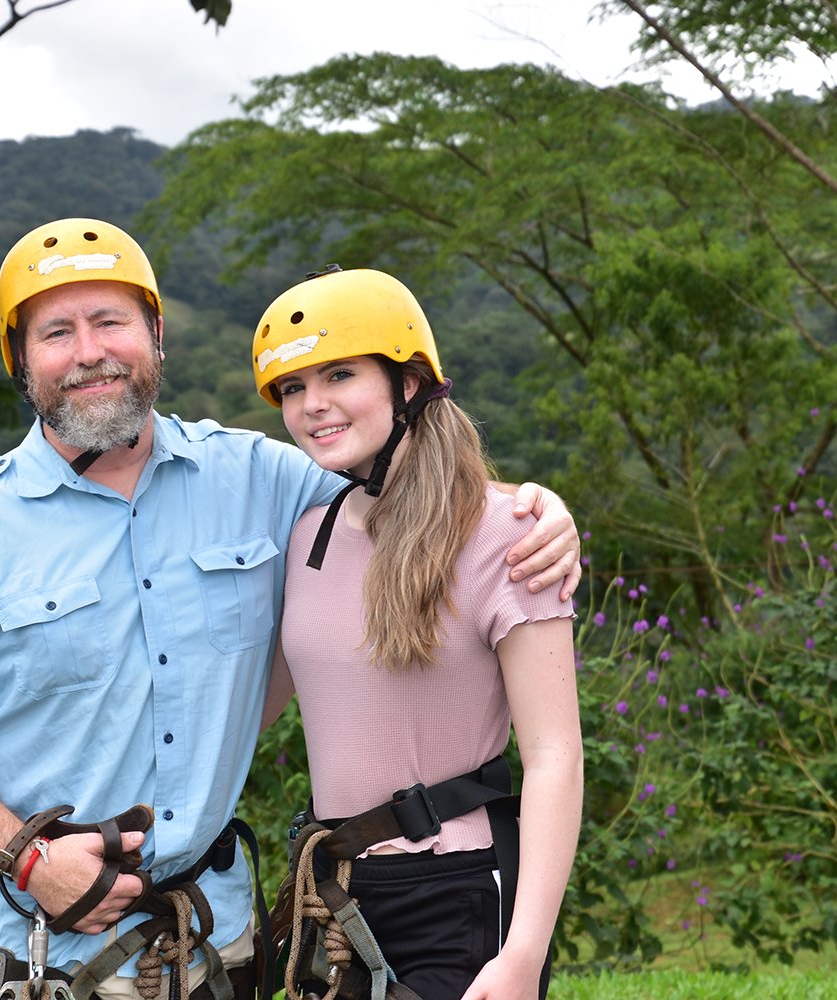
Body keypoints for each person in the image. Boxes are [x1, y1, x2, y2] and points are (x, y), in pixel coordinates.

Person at [0, 219, 582, 1000]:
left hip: (209, 949)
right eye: (56, 332)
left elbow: (405, 487)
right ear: (21, 360)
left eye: (110, 322)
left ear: (156, 334)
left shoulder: (262, 482)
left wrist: (535, 511)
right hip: (26, 945)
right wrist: (29, 859)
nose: (88, 351)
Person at [252, 267, 583, 1000]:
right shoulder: (311, 532)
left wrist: (523, 952)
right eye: (294, 388)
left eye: (339, 374)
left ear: (407, 383)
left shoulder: (509, 533)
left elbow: (555, 755)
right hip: (336, 892)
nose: (313, 405)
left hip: (457, 894)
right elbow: (248, 712)